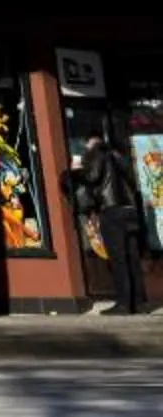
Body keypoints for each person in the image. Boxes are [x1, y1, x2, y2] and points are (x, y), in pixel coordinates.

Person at [75, 131, 146, 317]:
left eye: (87, 144)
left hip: (111, 209)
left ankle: (123, 304)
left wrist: (78, 170)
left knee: (118, 258)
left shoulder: (98, 155)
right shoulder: (119, 156)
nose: (86, 147)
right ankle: (138, 302)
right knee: (132, 258)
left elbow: (93, 177)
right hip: (130, 210)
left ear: (93, 142)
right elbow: (132, 180)